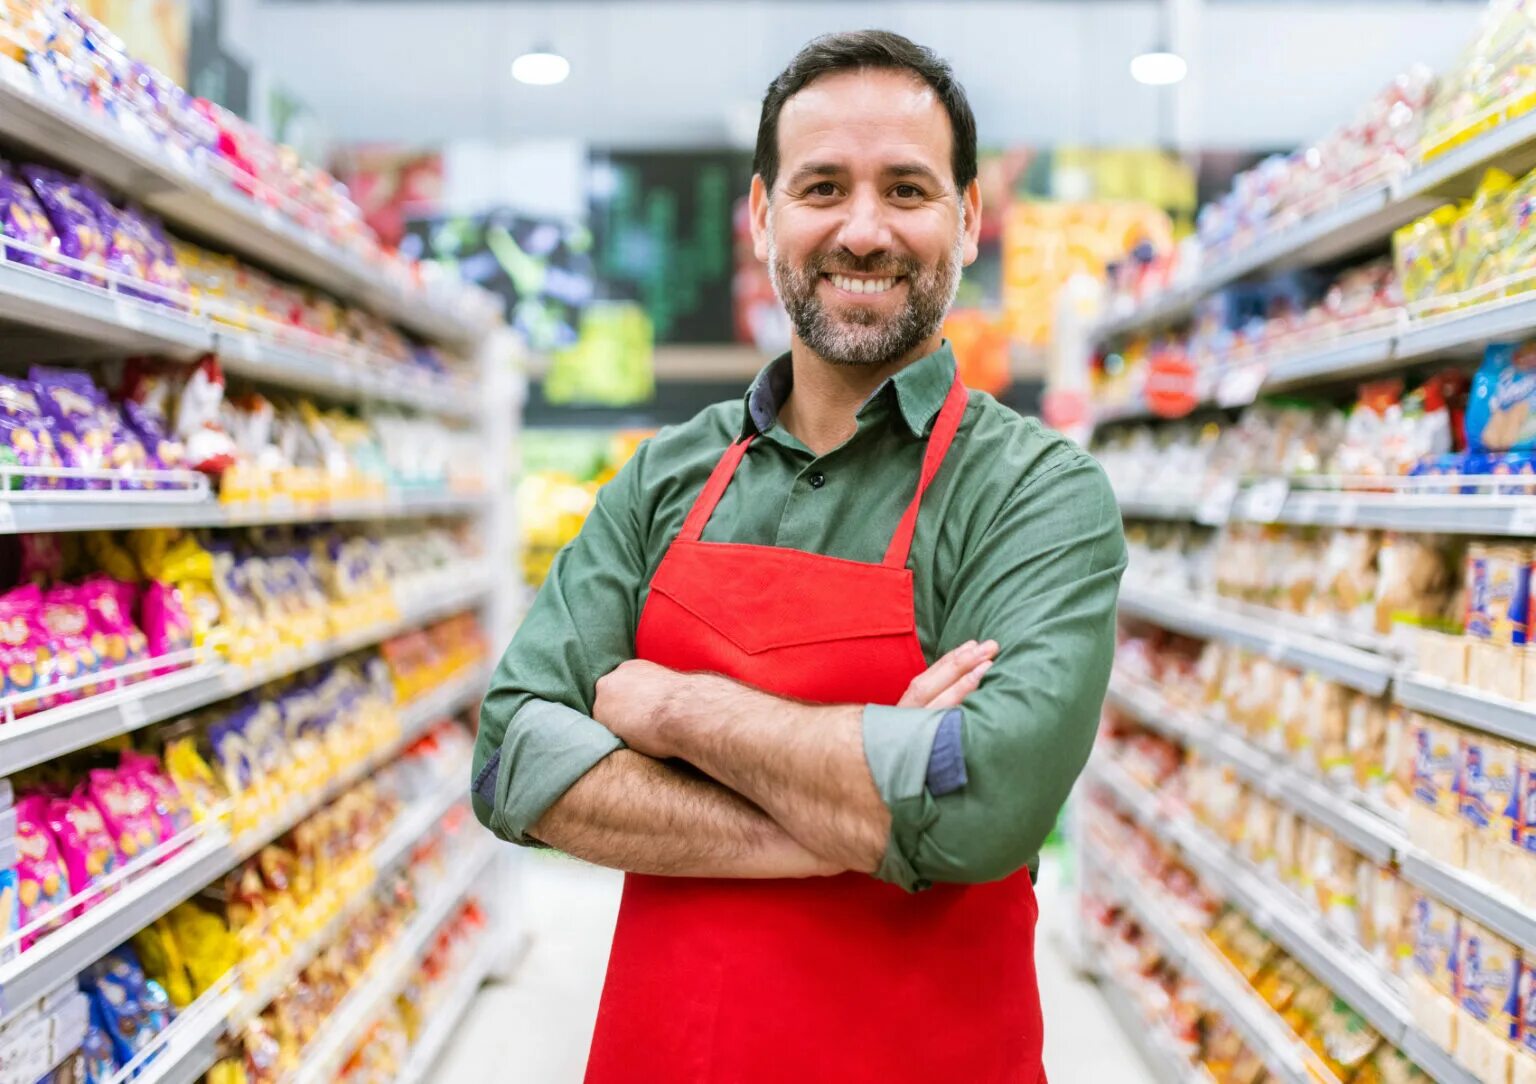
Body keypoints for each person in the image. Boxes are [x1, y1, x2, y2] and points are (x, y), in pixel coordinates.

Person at [471, 30, 1126, 1083]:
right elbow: (513, 760)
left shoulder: (1036, 493)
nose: (862, 230)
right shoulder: (662, 481)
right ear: (764, 215)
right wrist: (862, 807)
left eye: (906, 189)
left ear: (967, 221)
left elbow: (983, 807)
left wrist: (675, 714)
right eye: (823, 186)